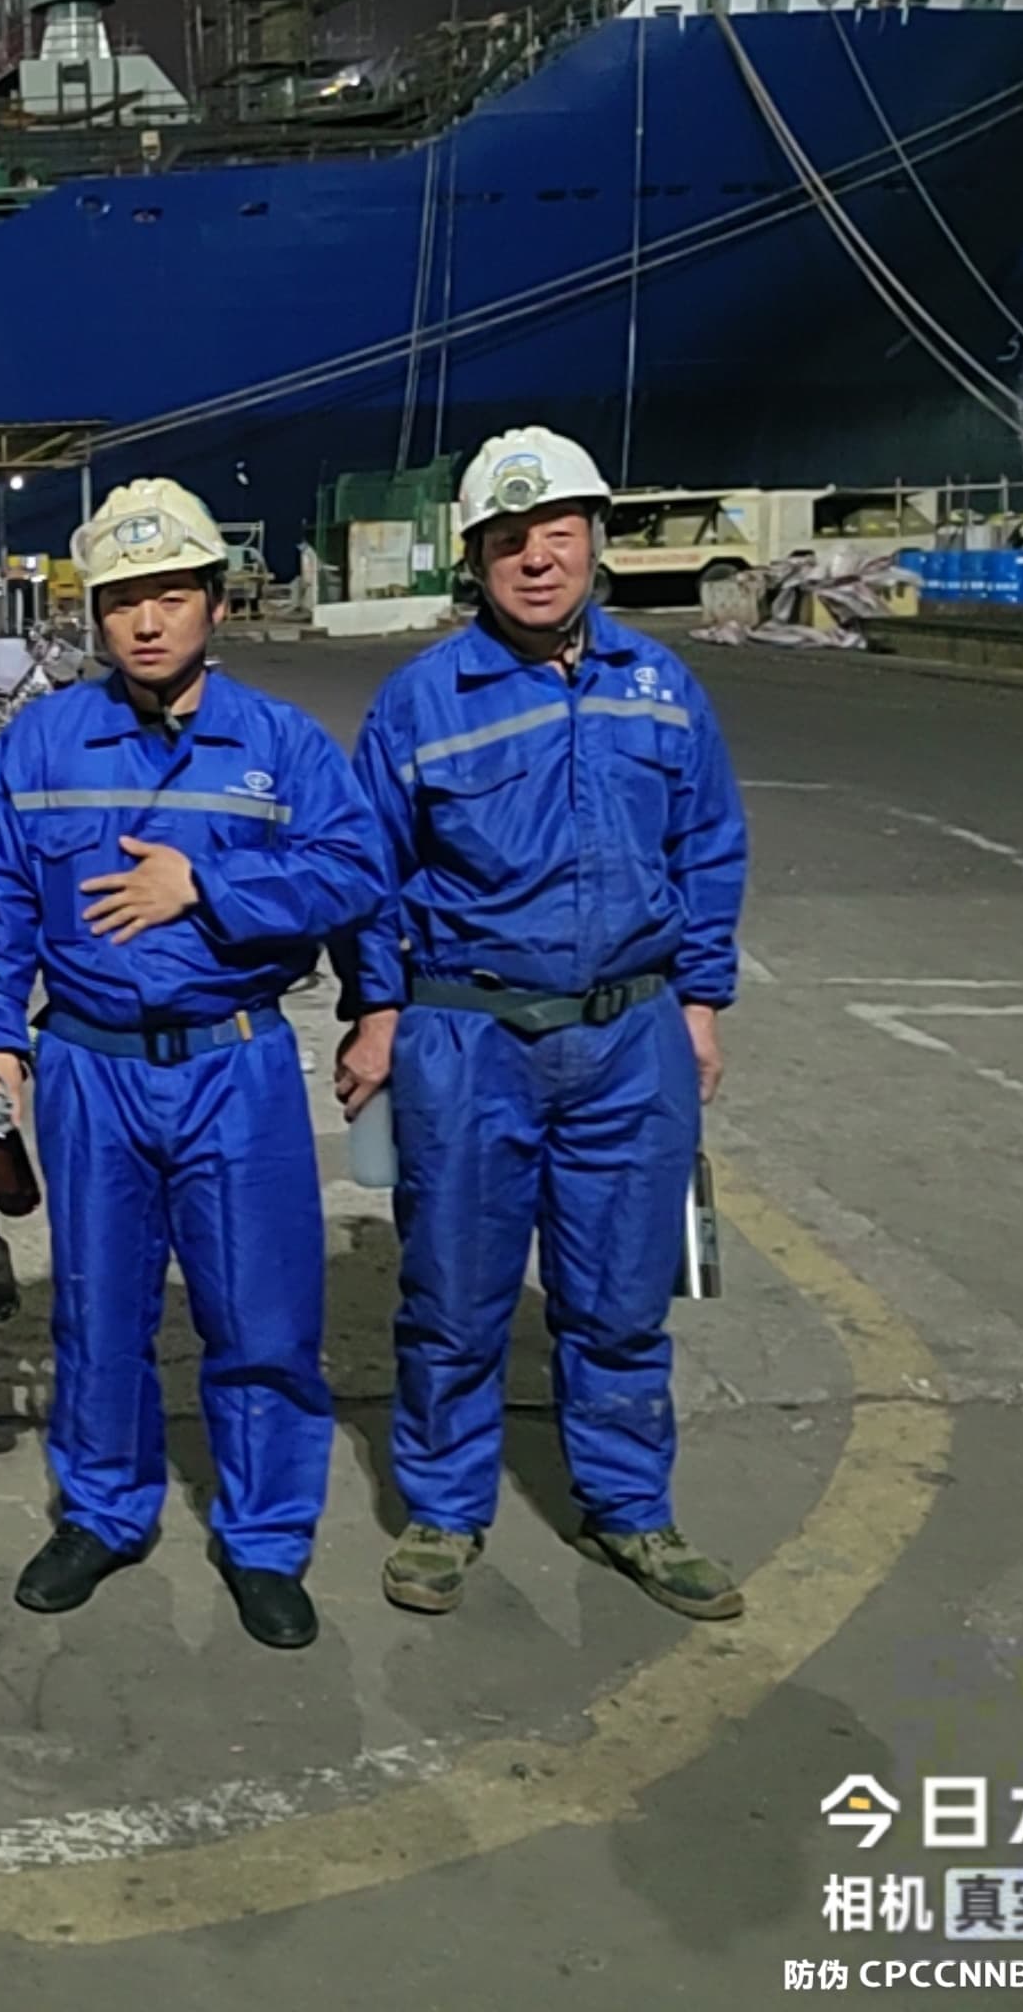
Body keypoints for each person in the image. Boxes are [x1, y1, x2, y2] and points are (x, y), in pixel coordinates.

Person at [333, 426, 751, 1622]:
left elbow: (709, 850)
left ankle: (630, 1508)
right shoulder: (422, 701)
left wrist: (701, 1007)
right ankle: (444, 1509)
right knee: (454, 1296)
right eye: (508, 540)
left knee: (623, 1294)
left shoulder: (662, 687)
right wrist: (376, 1014)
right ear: (474, 557)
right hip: (470, 1039)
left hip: (632, 1037)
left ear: (593, 541)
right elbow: (369, 878)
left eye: (556, 534)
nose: (535, 560)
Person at [0, 481, 384, 1646]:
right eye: (122, 600)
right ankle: (103, 1512)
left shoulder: (278, 744)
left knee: (261, 1314)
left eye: (170, 595)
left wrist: (208, 884)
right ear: (94, 615)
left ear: (214, 602)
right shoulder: (43, 742)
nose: (146, 621)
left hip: (232, 1065)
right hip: (89, 1067)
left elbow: (356, 873)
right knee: (99, 1313)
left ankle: (264, 1539)